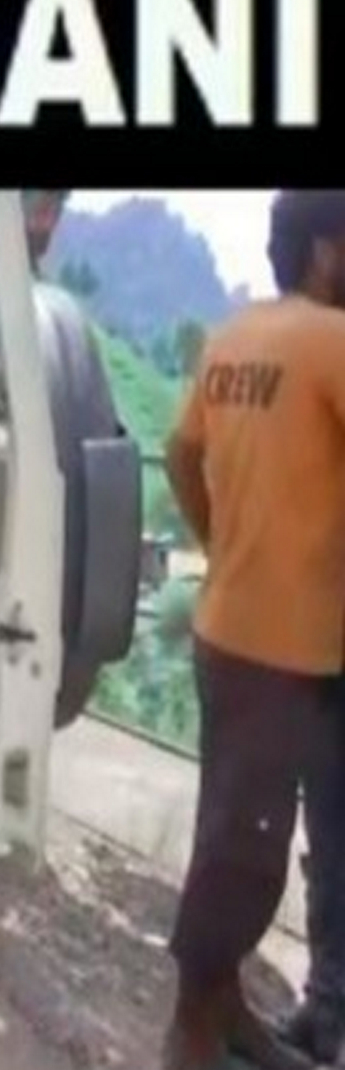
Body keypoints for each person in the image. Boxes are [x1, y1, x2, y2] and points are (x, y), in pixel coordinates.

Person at [160, 189, 345, 1070]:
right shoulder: (332, 342)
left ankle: (224, 1010)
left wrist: (221, 540)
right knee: (250, 853)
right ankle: (190, 1032)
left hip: (223, 631)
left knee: (226, 829)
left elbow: (178, 450)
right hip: (285, 648)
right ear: (322, 252)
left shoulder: (234, 337)